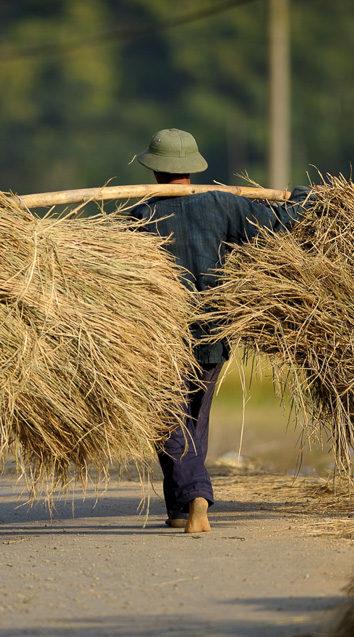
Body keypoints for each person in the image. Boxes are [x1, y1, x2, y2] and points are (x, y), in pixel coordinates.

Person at [130, 128, 312, 533]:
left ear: (156, 171)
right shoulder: (223, 205)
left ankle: (196, 495)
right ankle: (179, 509)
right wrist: (303, 197)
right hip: (213, 329)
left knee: (166, 421)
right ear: (191, 170)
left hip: (163, 335)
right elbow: (283, 225)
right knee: (194, 419)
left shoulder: (141, 217)